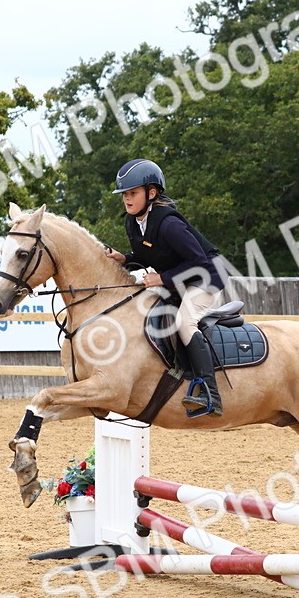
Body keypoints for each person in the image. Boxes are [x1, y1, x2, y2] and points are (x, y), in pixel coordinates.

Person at [104, 159, 226, 416]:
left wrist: (160, 279)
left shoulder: (170, 224)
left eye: (133, 193)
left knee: (184, 322)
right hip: (180, 281)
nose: (127, 199)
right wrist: (124, 258)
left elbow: (199, 263)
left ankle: (210, 393)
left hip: (206, 278)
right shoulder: (133, 221)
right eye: (124, 194)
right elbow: (152, 256)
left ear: (152, 192)